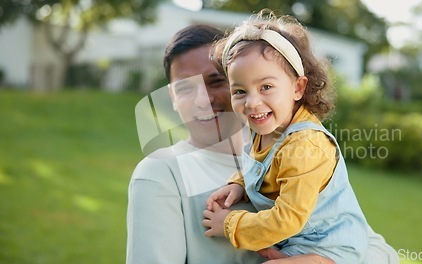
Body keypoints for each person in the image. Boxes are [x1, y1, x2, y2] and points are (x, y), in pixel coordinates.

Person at [126, 24, 338, 264]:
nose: (202, 100)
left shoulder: (291, 152)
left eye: (215, 81)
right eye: (185, 88)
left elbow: (376, 248)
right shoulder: (161, 173)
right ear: (173, 97)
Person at [202, 11, 396, 264]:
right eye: (240, 91)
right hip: (296, 240)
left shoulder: (306, 144)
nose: (252, 102)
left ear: (297, 88)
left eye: (266, 87)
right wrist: (238, 184)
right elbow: (263, 167)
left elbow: (287, 219)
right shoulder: (263, 128)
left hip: (330, 246)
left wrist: (229, 224)